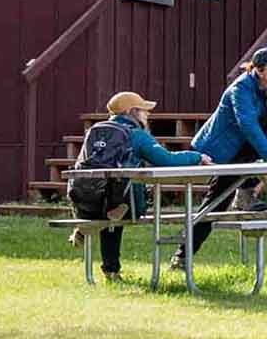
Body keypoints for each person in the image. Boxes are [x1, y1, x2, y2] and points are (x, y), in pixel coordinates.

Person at [176, 45, 267, 269]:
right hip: (220, 152)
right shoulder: (241, 88)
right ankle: (182, 256)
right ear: (258, 69)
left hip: (245, 150)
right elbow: (247, 125)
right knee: (215, 204)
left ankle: (245, 194)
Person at [69, 91, 211, 282]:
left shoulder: (95, 131)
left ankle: (109, 266)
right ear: (131, 111)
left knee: (112, 203)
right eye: (144, 110)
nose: (148, 114)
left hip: (86, 201)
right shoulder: (136, 135)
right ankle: (112, 266)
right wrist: (197, 157)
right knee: (119, 202)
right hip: (126, 205)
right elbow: (167, 160)